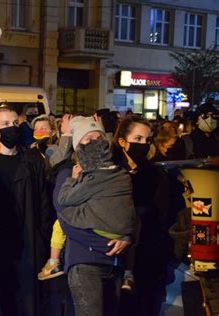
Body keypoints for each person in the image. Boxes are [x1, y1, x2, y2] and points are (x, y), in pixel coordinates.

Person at [0, 107, 53, 316]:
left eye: (15, 123)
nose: (12, 128)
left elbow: (43, 204)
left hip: (26, 241)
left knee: (24, 300)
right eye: (5, 124)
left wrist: (42, 240)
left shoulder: (33, 161)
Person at [53, 116, 134, 316]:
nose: (94, 144)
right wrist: (108, 243)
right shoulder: (67, 175)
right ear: (77, 145)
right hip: (85, 262)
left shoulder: (115, 175)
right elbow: (67, 221)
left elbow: (127, 213)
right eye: (87, 140)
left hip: (114, 264)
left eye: (98, 138)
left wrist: (125, 237)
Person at [112, 115, 173, 316]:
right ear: (122, 141)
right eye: (138, 139)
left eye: (147, 140)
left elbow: (163, 214)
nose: (143, 145)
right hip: (115, 256)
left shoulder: (156, 174)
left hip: (148, 255)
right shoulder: (111, 173)